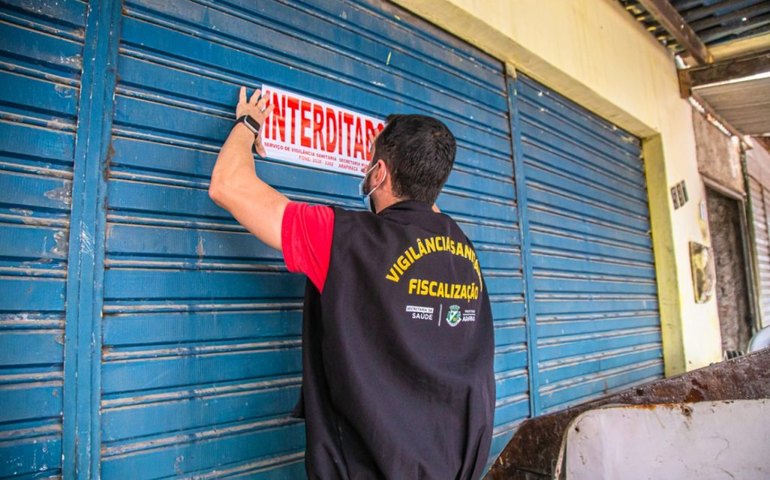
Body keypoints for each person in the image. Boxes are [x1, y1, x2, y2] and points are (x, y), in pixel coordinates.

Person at [209, 87, 495, 479]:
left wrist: (248, 123)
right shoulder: (462, 250)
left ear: (379, 174)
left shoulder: (341, 237)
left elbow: (227, 185)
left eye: (370, 162)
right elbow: (425, 207)